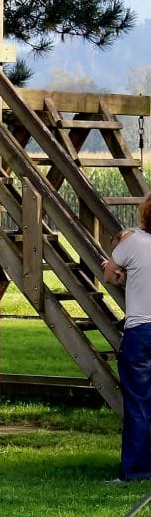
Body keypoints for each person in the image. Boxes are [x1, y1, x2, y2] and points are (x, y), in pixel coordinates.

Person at [103, 194, 151, 482]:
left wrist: (118, 271)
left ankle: (135, 469)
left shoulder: (134, 242)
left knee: (138, 403)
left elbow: (110, 275)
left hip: (141, 331)